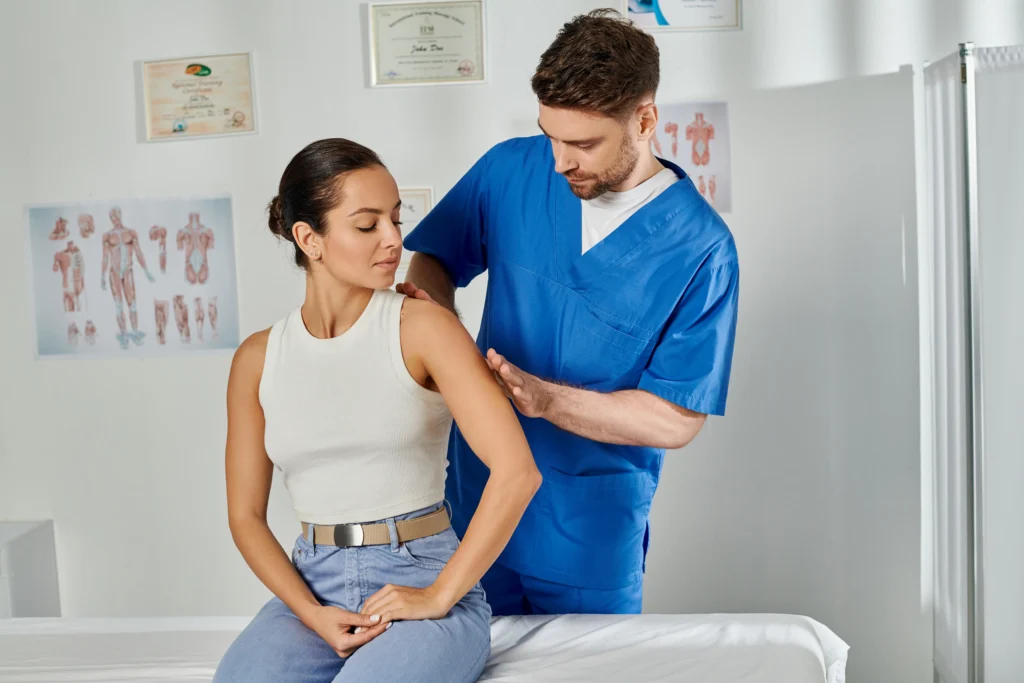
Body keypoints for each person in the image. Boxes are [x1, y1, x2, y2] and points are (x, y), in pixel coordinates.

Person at [400, 9, 740, 616]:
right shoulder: (512, 169)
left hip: (590, 534)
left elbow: (678, 420)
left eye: (583, 143)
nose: (560, 161)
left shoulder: (700, 248)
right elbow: (433, 258)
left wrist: (547, 400)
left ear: (644, 119)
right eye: (551, 134)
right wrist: (439, 343)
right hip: (477, 510)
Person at [213, 139, 541, 682]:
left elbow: (517, 474)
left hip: (419, 571)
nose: (394, 240)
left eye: (395, 219)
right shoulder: (257, 358)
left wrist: (439, 596)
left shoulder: (425, 327)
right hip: (312, 585)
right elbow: (244, 517)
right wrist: (310, 610)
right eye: (367, 226)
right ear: (308, 238)